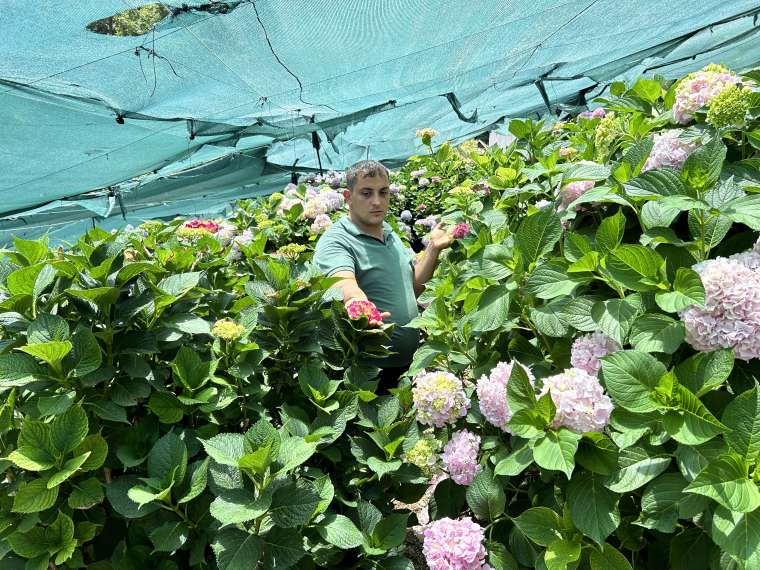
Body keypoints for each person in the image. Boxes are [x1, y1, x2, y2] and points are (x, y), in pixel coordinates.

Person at [313, 160, 454, 390]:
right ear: (348, 197)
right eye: (366, 193)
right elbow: (343, 281)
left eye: (383, 192)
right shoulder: (337, 241)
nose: (377, 201)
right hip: (370, 374)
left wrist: (433, 249)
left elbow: (414, 286)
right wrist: (356, 302)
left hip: (409, 365)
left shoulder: (389, 233)